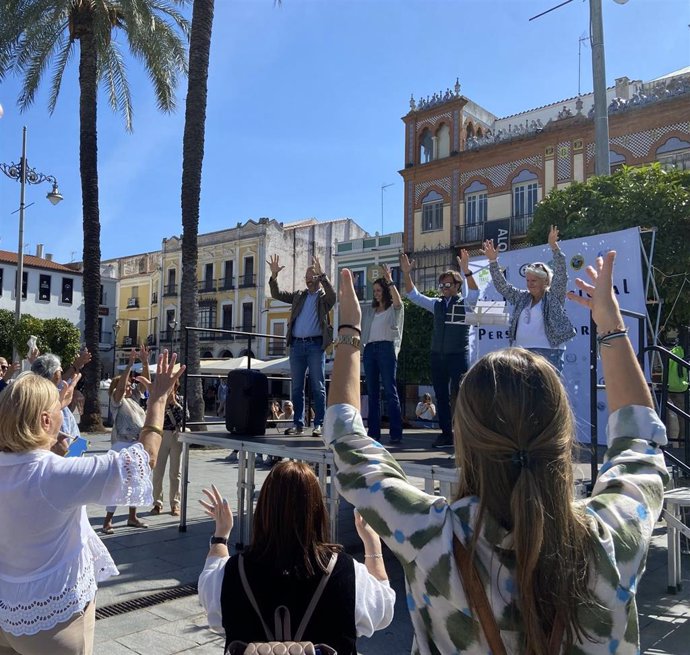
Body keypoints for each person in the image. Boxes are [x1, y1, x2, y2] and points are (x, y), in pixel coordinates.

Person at [322, 256, 668, 654]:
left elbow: (346, 442)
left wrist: (349, 330)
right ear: (562, 435)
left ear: (464, 439)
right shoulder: (612, 538)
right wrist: (611, 327)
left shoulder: (430, 535)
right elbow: (641, 439)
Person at [0, 352, 185, 655]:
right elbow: (142, 460)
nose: (65, 411)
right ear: (46, 421)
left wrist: (50, 441)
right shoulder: (55, 474)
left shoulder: (35, 470)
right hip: (52, 621)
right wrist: (158, 401)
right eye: (60, 407)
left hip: (7, 608)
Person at [198, 461, 395, 655]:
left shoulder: (231, 573)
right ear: (317, 511)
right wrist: (372, 543)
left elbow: (210, 578)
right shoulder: (347, 572)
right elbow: (383, 609)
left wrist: (221, 536)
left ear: (264, 509)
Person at [401, 249, 478, 448]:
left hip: (458, 355)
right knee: (441, 397)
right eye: (441, 285)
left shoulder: (465, 304)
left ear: (457, 286)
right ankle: (446, 434)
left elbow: (475, 293)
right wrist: (407, 274)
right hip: (438, 356)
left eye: (448, 285)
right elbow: (413, 295)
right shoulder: (436, 304)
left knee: (460, 395)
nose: (443, 288)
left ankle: (464, 435)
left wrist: (467, 271)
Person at [482, 225, 576, 371]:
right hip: (521, 352)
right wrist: (493, 262)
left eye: (534, 281)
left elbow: (561, 275)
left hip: (548, 353)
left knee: (545, 392)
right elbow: (503, 287)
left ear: (546, 281)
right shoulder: (522, 298)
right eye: (528, 280)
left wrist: (555, 248)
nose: (530, 284)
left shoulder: (553, 296)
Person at [268, 254, 335, 437]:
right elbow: (277, 294)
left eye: (311, 277)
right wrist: (274, 276)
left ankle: (319, 424)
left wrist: (323, 275)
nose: (308, 281)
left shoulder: (324, 298)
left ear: (318, 279)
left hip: (315, 346)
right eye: (306, 278)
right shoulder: (299, 296)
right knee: (296, 387)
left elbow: (333, 296)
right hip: (297, 346)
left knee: (318, 386)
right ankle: (298, 424)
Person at [102, 345, 151, 534]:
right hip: (121, 444)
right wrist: (129, 364)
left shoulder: (134, 399)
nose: (130, 387)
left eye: (130, 385)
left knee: (136, 481)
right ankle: (107, 521)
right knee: (117, 483)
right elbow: (121, 387)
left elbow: (144, 382)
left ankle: (132, 517)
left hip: (136, 444)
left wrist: (145, 362)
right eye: (127, 385)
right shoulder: (118, 401)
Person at [359, 264, 405, 444]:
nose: (376, 293)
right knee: (372, 393)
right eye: (374, 290)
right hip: (370, 350)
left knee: (390, 390)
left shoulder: (394, 310)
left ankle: (395, 433)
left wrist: (390, 280)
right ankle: (373, 433)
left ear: (385, 291)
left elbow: (399, 303)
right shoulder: (370, 311)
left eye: (379, 290)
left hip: (387, 348)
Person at [151, 380, 188, 517]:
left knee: (175, 472)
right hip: (161, 435)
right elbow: (152, 416)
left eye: (172, 385)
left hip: (175, 435)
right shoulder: (158, 399)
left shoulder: (181, 400)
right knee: (158, 471)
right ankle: (157, 503)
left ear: (176, 387)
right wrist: (164, 405)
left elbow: (186, 417)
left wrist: (175, 405)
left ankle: (175, 503)